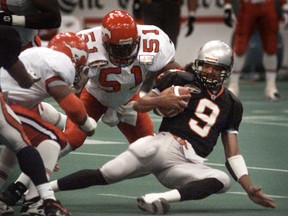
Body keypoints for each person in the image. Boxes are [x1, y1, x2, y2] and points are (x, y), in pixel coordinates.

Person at [48, 40, 276, 214]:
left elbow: (232, 153)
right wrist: (160, 101)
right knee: (106, 174)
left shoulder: (233, 104)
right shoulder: (181, 79)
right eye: (205, 66)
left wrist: (248, 188)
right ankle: (45, 189)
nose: (209, 72)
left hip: (186, 163)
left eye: (216, 69)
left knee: (223, 180)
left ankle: (159, 198)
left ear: (226, 70)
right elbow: (140, 104)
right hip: (161, 145)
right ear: (198, 65)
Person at [53, 9, 182, 154]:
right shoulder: (87, 43)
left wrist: (179, 85)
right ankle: (39, 164)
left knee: (150, 152)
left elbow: (172, 71)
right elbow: (72, 88)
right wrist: (76, 107)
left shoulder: (152, 40)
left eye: (129, 47)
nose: (125, 53)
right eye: (119, 49)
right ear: (104, 42)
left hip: (130, 100)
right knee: (70, 140)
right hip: (94, 97)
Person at [0, 29, 97, 215]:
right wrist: (87, 124)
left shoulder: (34, 54)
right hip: (4, 106)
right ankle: (37, 202)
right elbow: (73, 108)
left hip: (8, 105)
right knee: (52, 141)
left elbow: (44, 111)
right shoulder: (60, 62)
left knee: (18, 144)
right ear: (74, 58)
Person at [223, 0, 288, 101]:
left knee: (271, 47)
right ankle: (233, 85)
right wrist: (227, 6)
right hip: (248, 5)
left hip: (267, 5)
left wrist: (285, 6)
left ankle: (271, 87)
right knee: (240, 47)